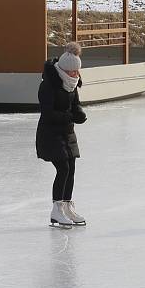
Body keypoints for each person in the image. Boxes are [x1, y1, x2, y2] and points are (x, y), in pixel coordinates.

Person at [36, 42, 88, 227]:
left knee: (71, 167)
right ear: (64, 70)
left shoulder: (72, 84)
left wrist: (79, 114)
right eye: (73, 72)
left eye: (77, 72)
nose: (76, 75)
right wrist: (69, 116)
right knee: (63, 168)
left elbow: (75, 105)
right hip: (50, 134)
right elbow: (47, 112)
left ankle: (67, 207)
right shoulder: (48, 85)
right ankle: (57, 210)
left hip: (67, 132)